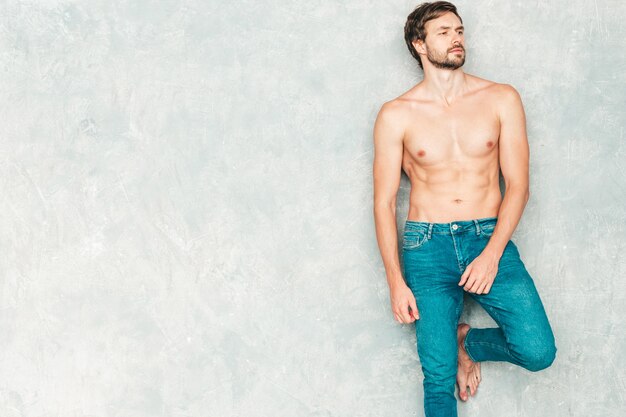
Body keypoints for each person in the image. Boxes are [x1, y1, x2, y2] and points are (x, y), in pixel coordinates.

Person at [372, 2, 557, 416]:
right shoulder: (396, 114)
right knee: (437, 378)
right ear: (419, 44)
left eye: (459, 30)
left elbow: (519, 186)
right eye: (443, 32)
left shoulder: (501, 98)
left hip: (487, 237)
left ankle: (466, 342)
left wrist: (491, 255)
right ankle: (448, 351)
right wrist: (394, 280)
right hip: (426, 247)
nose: (456, 38)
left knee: (538, 350)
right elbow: (384, 202)